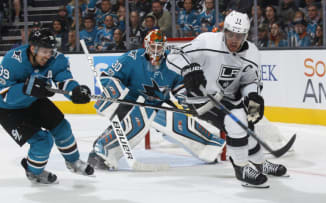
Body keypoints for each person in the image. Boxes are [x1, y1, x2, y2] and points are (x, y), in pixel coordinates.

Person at [166, 11, 287, 188]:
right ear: (225, 31)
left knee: (248, 123)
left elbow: (251, 80)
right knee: (235, 122)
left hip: (229, 98)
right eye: (230, 34)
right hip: (202, 97)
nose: (234, 39)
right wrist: (188, 69)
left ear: (246, 35)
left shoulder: (252, 53)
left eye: (239, 36)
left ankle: (260, 164)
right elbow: (173, 57)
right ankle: (241, 168)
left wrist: (253, 96)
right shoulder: (207, 42)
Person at [87, 29, 225, 170]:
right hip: (129, 103)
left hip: (157, 106)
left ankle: (208, 149)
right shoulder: (131, 58)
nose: (156, 50)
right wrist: (112, 93)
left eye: (159, 47)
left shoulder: (173, 62)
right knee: (134, 123)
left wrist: (192, 99)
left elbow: (181, 91)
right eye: (153, 46)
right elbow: (106, 78)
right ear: (146, 45)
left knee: (177, 122)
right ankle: (102, 150)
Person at [0, 28, 94, 184]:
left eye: (50, 51)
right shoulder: (12, 61)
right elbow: (4, 95)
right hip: (8, 109)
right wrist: (26, 89)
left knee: (62, 127)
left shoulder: (57, 60)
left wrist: (75, 90)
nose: (48, 55)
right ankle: (34, 172)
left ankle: (74, 162)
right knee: (43, 142)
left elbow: (64, 81)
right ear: (32, 48)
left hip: (34, 101)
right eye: (44, 51)